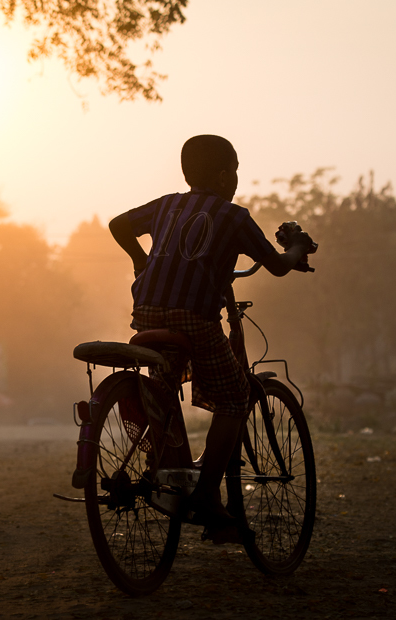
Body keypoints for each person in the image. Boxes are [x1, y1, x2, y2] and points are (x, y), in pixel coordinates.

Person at [109, 134, 313, 534]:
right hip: (193, 318)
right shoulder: (233, 217)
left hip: (147, 314)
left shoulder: (168, 204)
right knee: (236, 396)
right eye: (234, 172)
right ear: (223, 176)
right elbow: (275, 264)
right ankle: (205, 496)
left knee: (165, 393)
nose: (236, 180)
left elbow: (119, 225)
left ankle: (166, 467)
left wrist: (141, 260)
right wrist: (297, 249)